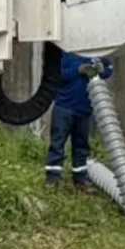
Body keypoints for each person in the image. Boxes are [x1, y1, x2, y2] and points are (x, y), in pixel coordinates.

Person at [45, 50, 113, 192]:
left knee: (81, 146)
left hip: (85, 109)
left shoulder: (98, 53)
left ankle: (80, 180)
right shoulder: (65, 53)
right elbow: (58, 76)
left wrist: (102, 69)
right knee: (57, 144)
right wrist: (78, 70)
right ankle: (52, 179)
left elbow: (109, 69)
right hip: (64, 107)